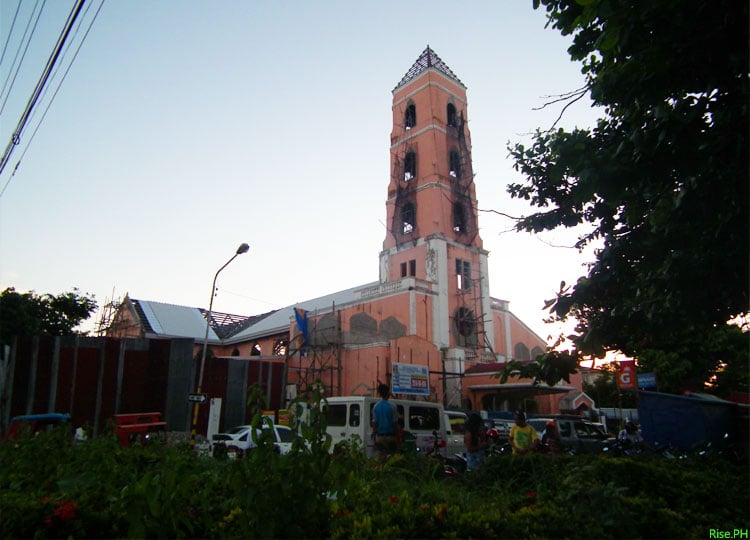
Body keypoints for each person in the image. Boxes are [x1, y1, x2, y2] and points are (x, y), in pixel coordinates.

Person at [371, 383, 398, 459]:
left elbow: (374, 422)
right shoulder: (393, 406)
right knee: (392, 459)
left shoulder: (376, 406)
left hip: (380, 437)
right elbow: (395, 423)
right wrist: (398, 434)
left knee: (380, 459)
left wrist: (374, 433)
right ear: (388, 393)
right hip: (391, 437)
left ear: (379, 394)